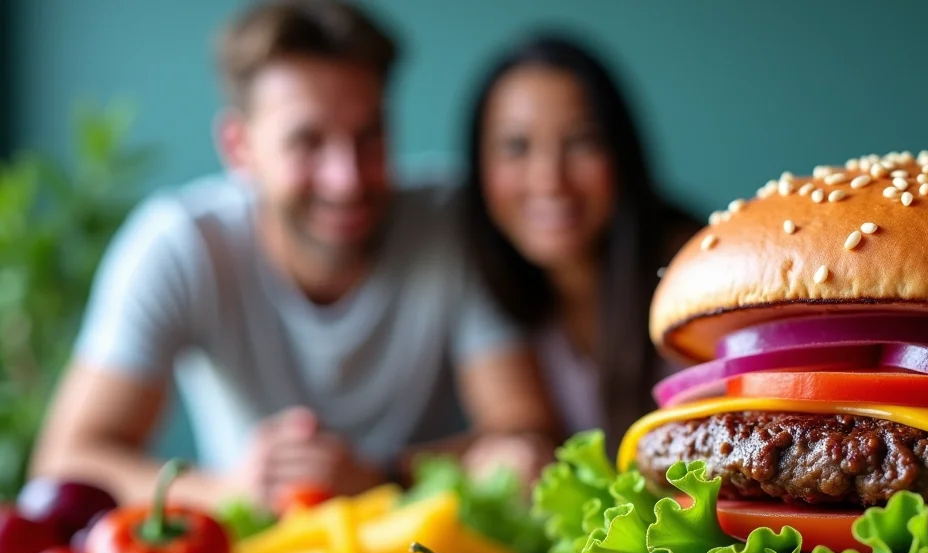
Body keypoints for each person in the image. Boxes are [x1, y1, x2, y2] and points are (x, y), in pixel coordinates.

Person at [31, 0, 558, 510]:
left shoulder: (450, 225)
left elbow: (524, 437)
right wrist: (230, 491)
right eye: (308, 142)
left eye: (369, 137)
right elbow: (66, 464)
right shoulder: (181, 247)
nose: (346, 179)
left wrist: (378, 477)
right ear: (240, 147)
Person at [460, 34, 702, 453]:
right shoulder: (492, 286)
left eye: (581, 142)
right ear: (479, 165)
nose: (548, 180)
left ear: (620, 154)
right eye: (516, 147)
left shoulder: (693, 270)